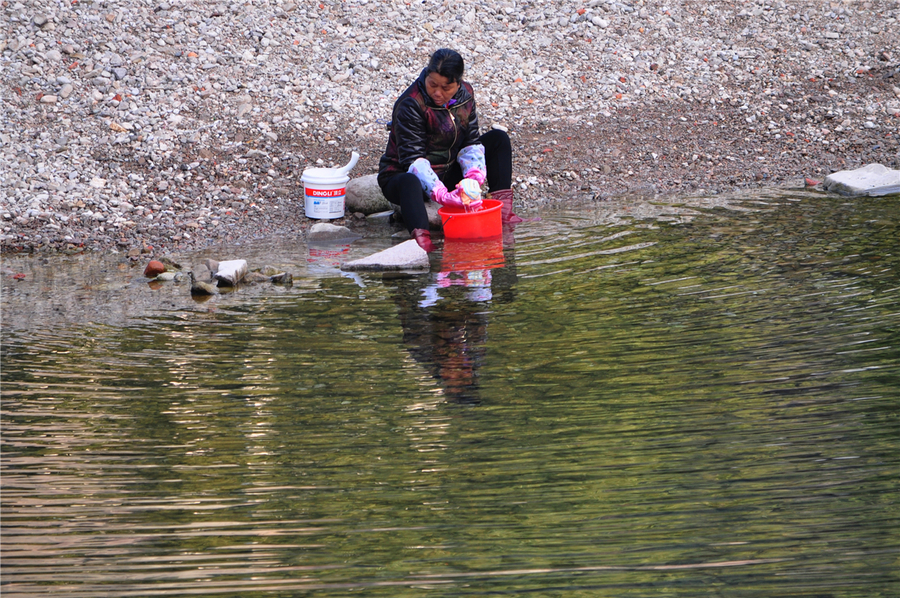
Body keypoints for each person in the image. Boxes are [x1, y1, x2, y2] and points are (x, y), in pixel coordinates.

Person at [378, 48, 523, 253]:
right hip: (405, 176)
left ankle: (504, 216)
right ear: (426, 76)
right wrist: (442, 196)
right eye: (432, 84)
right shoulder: (410, 103)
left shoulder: (466, 94)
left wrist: (473, 178)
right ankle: (422, 242)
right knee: (410, 181)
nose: (438, 93)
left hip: (446, 170)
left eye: (446, 88)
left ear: (458, 83)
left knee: (499, 139)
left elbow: (471, 141)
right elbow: (413, 160)